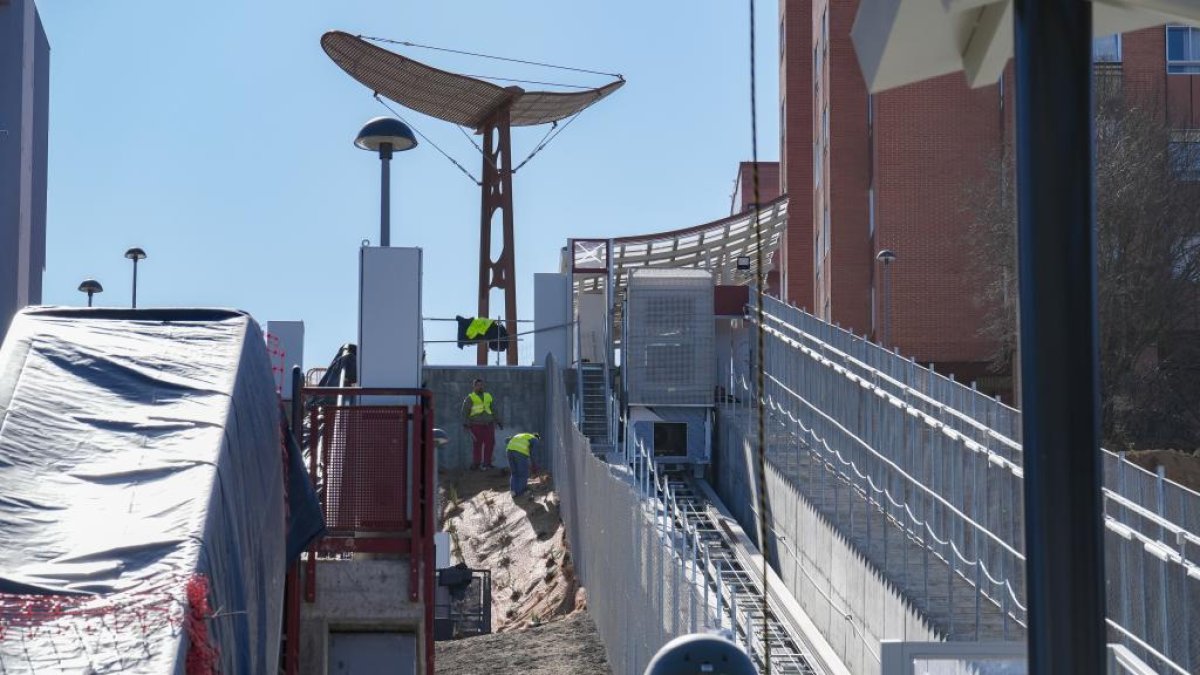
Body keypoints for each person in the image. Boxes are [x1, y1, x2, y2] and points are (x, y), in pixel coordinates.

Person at [461, 378, 503, 470]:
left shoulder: (488, 396)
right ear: (474, 386)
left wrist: (498, 421)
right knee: (477, 444)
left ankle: (487, 463)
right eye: (478, 385)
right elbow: (465, 411)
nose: (480, 387)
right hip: (476, 425)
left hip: (488, 424)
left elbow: (494, 409)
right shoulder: (470, 398)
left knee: (490, 443)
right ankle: (476, 464)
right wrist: (465, 424)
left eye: (481, 385)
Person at [505, 432, 539, 498]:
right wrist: (534, 465)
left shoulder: (521, 435)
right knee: (523, 474)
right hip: (519, 452)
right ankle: (520, 492)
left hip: (509, 451)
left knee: (514, 473)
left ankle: (513, 491)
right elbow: (533, 454)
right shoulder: (535, 439)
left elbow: (506, 440)